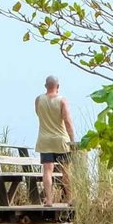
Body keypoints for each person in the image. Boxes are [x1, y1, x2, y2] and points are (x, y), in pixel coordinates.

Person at [34, 75, 75, 205]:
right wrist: (72, 139)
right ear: (58, 86)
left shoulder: (38, 100)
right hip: (61, 140)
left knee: (47, 171)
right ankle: (69, 198)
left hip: (44, 140)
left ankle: (49, 199)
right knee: (66, 171)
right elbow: (67, 121)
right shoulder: (62, 101)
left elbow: (38, 114)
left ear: (45, 86)